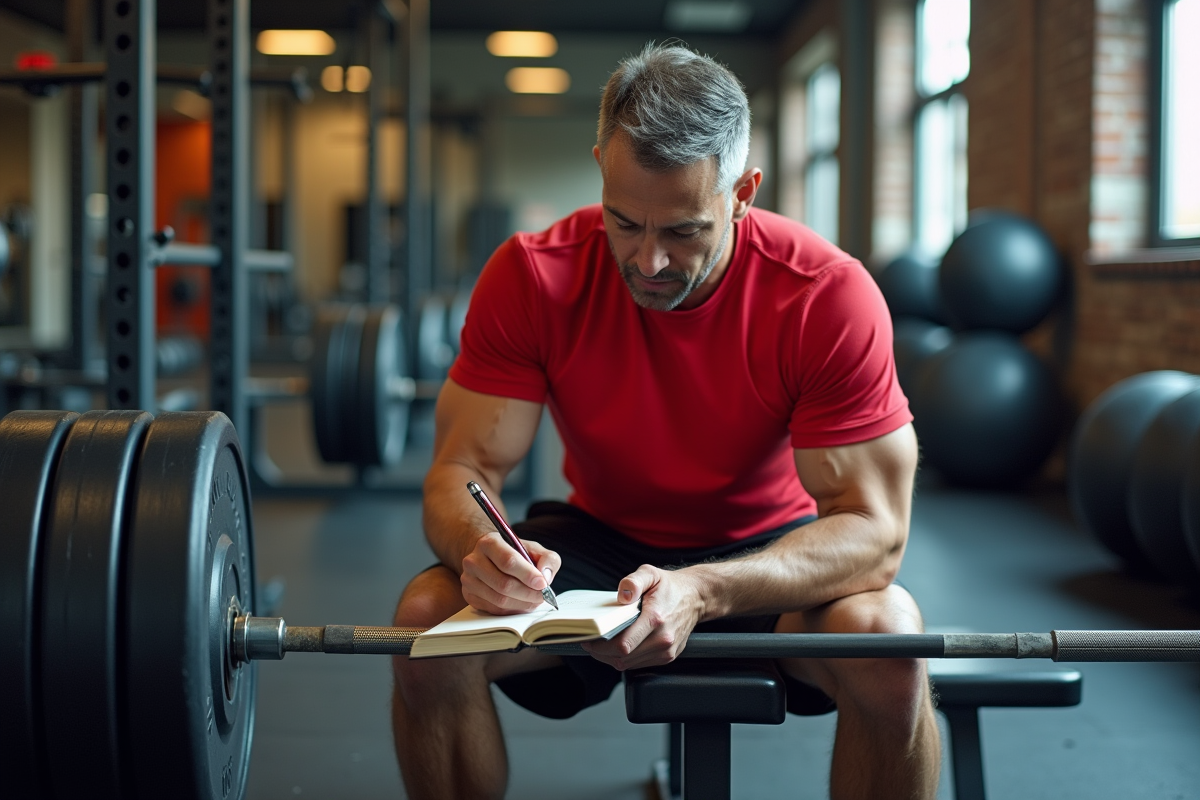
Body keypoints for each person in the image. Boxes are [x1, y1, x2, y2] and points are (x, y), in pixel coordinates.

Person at [391, 43, 939, 800]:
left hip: (765, 555)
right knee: (427, 623)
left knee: (891, 643)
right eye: (625, 224)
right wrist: (483, 549)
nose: (648, 261)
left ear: (743, 192)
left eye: (684, 231)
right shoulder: (532, 274)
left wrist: (704, 590)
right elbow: (459, 473)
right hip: (597, 552)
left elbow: (876, 531)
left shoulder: (824, 295)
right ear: (600, 167)